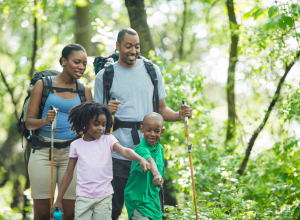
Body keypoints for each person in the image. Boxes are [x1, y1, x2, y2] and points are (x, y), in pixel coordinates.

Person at [94, 28, 193, 220]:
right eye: (128, 46)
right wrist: (106, 110)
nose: (133, 51)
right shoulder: (105, 76)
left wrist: (179, 115)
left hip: (149, 155)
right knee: (112, 211)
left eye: (137, 46)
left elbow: (162, 109)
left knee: (149, 210)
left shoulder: (152, 71)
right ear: (117, 46)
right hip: (117, 155)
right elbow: (96, 122)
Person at [50, 101, 150, 220]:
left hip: (104, 197)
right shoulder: (76, 145)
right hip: (83, 198)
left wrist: (140, 159)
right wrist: (58, 200)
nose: (101, 128)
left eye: (104, 124)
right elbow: (68, 174)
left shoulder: (108, 140)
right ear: (85, 124)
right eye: (96, 124)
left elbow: (124, 151)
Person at [26, 44, 93, 220]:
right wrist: (45, 121)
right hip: (42, 153)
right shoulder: (42, 86)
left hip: (73, 155)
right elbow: (29, 123)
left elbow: (90, 130)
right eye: (76, 62)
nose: (81, 67)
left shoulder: (84, 91)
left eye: (84, 64)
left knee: (69, 213)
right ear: (63, 61)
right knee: (41, 213)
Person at [125, 112, 165, 220]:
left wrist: (159, 178)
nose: (152, 134)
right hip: (138, 201)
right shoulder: (140, 149)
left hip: (153, 202)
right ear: (142, 129)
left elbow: (161, 172)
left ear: (162, 132)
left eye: (156, 131)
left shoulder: (160, 149)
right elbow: (150, 160)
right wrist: (156, 174)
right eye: (148, 130)